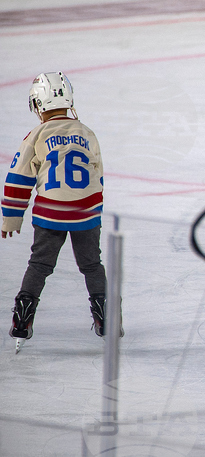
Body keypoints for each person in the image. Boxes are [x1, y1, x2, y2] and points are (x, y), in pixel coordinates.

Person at [2, 72, 116, 351]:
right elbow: (98, 176)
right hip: (85, 212)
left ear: (38, 105)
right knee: (92, 265)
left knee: (40, 264)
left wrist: (11, 218)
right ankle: (107, 319)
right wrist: (92, 213)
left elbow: (18, 177)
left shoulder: (37, 134)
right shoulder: (87, 132)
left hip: (50, 212)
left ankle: (22, 321)